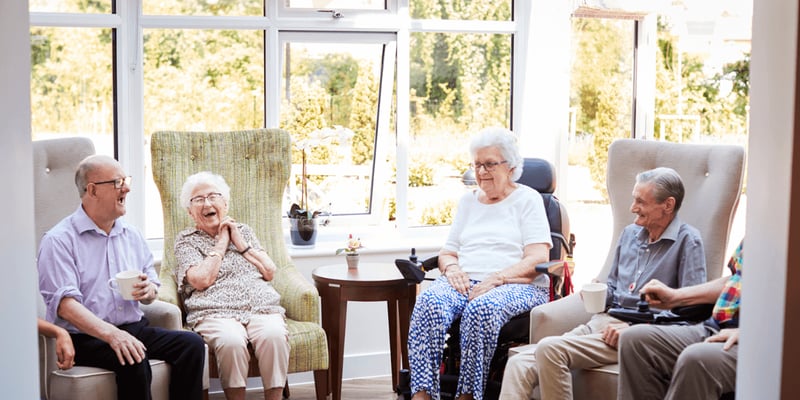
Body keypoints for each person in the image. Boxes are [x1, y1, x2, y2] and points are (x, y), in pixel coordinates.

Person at [499, 167, 708, 400]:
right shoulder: (629, 235)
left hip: (637, 333)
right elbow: (614, 287)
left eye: (641, 201)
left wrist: (639, 330)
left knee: (550, 349)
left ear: (668, 205)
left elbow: (692, 312)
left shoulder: (688, 241)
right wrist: (597, 290)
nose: (632, 208)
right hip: (603, 322)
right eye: (634, 199)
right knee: (519, 364)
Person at [37, 155, 205, 400]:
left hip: (133, 328)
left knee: (191, 345)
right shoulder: (59, 240)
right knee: (133, 357)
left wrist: (148, 291)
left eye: (126, 181)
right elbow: (66, 306)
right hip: (85, 337)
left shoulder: (132, 235)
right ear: (92, 190)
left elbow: (151, 285)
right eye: (117, 182)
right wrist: (112, 335)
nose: (126, 188)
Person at [408, 127, 554, 400]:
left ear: (511, 167)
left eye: (489, 164)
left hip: (516, 283)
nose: (481, 171)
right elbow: (448, 252)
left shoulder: (528, 199)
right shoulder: (468, 201)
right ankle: (422, 395)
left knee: (481, 309)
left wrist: (497, 278)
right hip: (466, 280)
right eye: (477, 165)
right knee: (429, 303)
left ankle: (468, 395)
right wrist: (452, 269)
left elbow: (538, 259)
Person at [174, 171, 289, 400]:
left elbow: (269, 271)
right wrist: (222, 243)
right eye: (199, 199)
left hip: (260, 306)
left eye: (213, 196)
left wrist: (240, 242)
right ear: (190, 211)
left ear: (225, 204)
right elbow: (201, 280)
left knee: (274, 335)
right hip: (214, 310)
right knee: (231, 341)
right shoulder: (186, 240)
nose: (207, 203)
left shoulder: (243, 231)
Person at [617, 240, 743, 400]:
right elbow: (736, 279)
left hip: (758, 340)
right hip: (716, 326)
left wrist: (748, 332)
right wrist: (676, 297)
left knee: (697, 359)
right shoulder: (757, 232)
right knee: (634, 339)